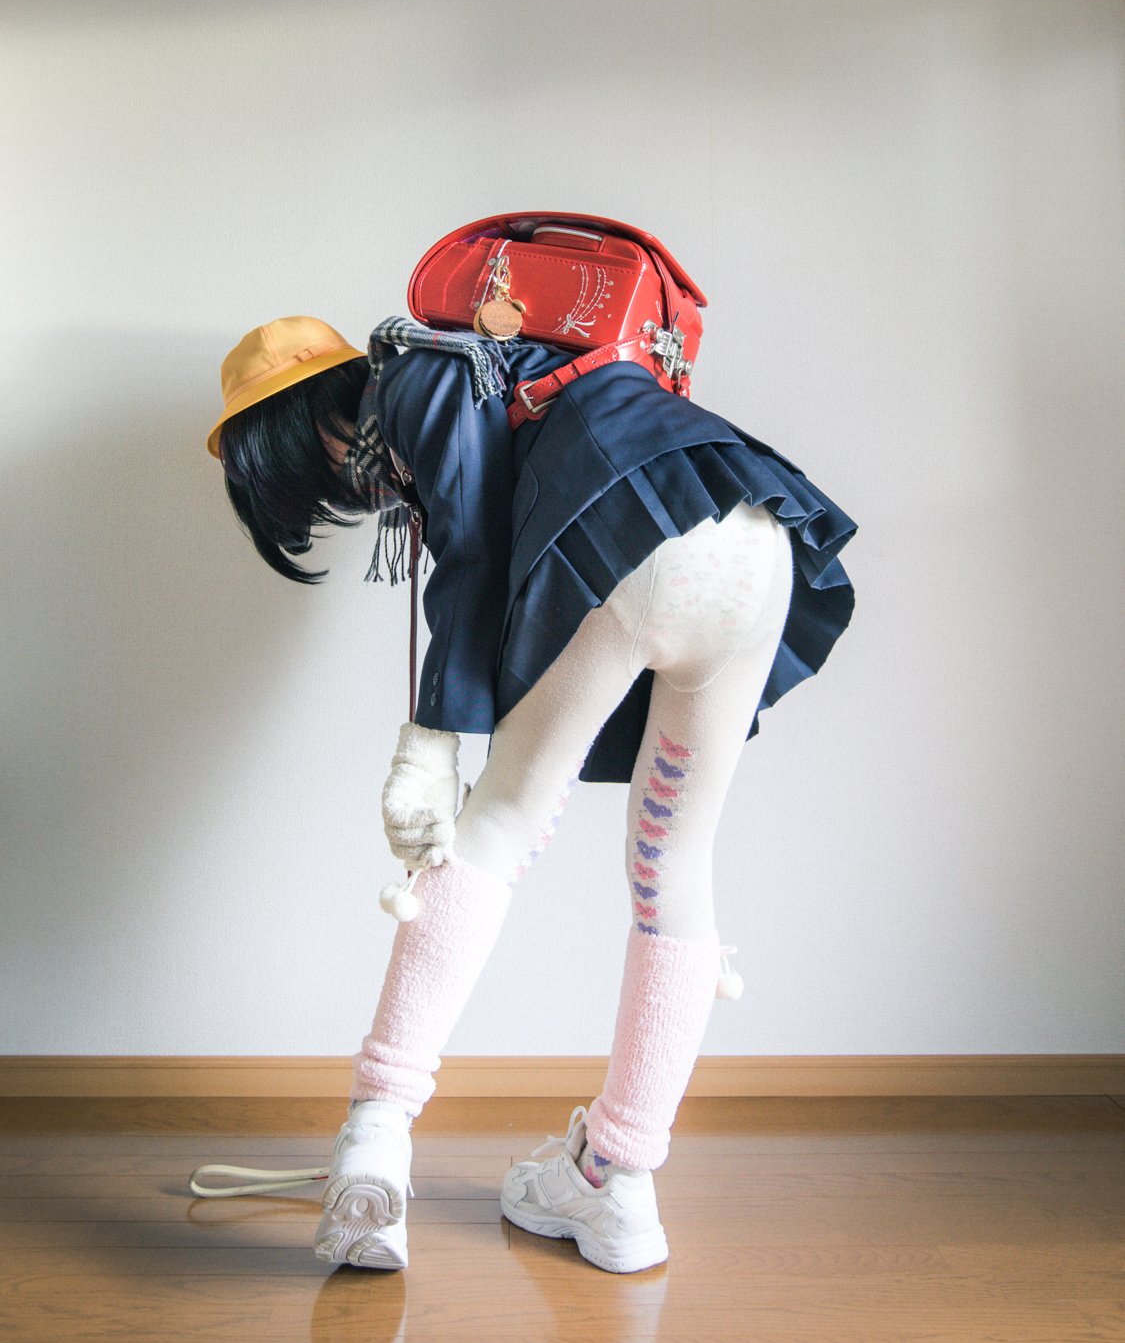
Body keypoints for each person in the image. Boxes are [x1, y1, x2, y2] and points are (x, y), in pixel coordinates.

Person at [207, 309, 857, 1274]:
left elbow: (471, 557)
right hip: (750, 538)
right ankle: (615, 1182)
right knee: (675, 866)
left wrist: (430, 743)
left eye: (318, 474)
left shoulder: (416, 377)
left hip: (643, 526)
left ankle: (375, 1138)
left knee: (497, 827)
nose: (348, 493)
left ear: (304, 428)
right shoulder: (483, 366)